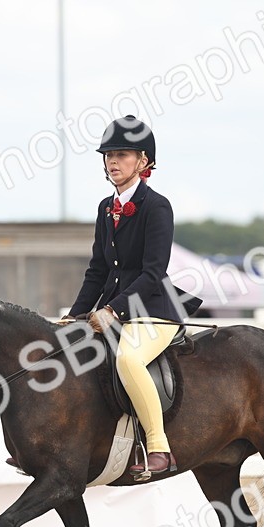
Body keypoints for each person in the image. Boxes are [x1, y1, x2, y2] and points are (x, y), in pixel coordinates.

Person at [65, 115, 201, 476]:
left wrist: (112, 309)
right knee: (64, 353)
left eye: (122, 154)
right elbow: (97, 270)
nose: (112, 161)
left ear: (143, 161)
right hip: (112, 307)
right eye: (108, 154)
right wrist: (76, 314)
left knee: (128, 360)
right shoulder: (104, 208)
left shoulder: (157, 207)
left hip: (152, 310)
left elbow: (152, 272)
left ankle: (159, 447)